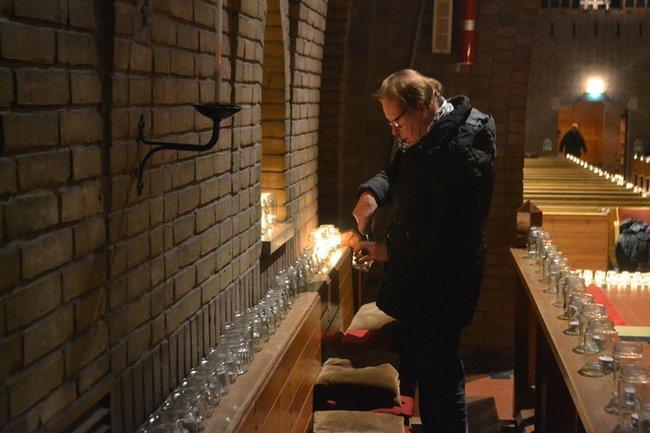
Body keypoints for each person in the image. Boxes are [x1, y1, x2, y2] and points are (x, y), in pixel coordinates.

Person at [344, 69, 496, 433]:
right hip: (422, 281)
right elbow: (395, 173)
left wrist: (386, 249)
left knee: (440, 378)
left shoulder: (465, 148)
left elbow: (451, 237)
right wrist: (372, 195)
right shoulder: (426, 135)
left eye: (396, 121)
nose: (393, 131)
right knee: (429, 370)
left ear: (425, 106)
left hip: (444, 285)